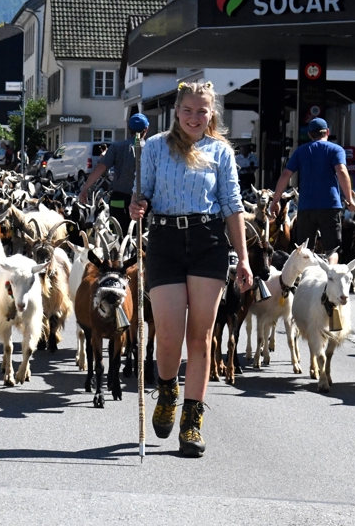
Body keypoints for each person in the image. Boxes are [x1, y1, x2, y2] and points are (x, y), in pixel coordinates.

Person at [129, 81, 252, 458]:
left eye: (203, 111)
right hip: (165, 240)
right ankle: (167, 390)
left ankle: (192, 421)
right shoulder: (153, 147)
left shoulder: (221, 151)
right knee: (168, 334)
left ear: (212, 113)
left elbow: (232, 206)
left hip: (208, 243)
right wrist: (137, 205)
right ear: (176, 112)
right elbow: (142, 192)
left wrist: (244, 258)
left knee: (200, 337)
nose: (195, 117)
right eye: (188, 110)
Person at [270, 117, 355, 263]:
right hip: (330, 206)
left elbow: (285, 175)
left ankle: (305, 281)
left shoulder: (300, 152)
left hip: (306, 208)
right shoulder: (336, 150)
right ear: (327, 132)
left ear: (310, 135)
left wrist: (275, 200)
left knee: (304, 250)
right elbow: (341, 170)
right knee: (332, 249)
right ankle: (330, 279)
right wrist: (350, 199)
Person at [79, 114, 150, 232]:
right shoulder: (150, 148)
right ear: (146, 130)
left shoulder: (117, 147)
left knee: (118, 235)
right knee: (141, 237)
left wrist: (85, 189)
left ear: (129, 129)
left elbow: (99, 168)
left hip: (119, 200)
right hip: (142, 203)